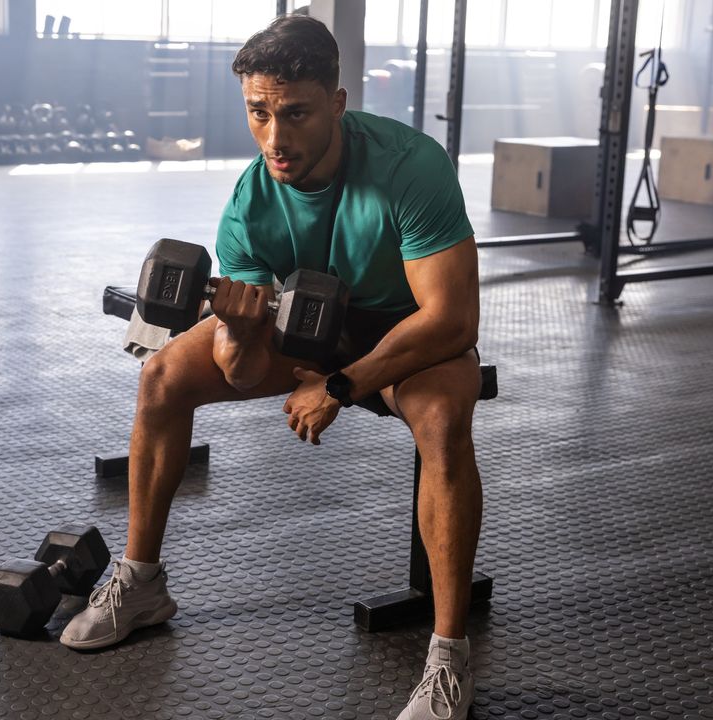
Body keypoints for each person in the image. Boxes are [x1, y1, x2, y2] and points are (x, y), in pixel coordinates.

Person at [63, 14, 482, 720]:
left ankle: (448, 656)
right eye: (259, 113)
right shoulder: (251, 204)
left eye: (296, 114)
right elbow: (238, 369)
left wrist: (342, 387)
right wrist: (235, 323)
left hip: (402, 323)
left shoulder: (411, 166)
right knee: (162, 377)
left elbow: (451, 320)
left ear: (337, 104)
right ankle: (140, 580)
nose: (276, 138)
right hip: (300, 321)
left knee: (441, 421)